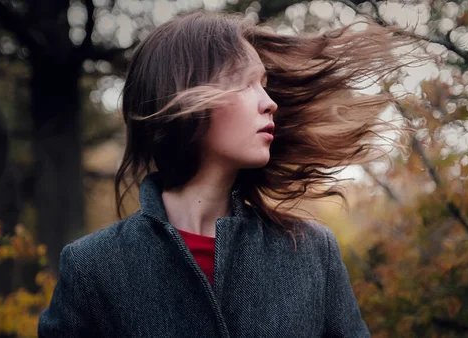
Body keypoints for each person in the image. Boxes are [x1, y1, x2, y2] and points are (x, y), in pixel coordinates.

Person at [38, 9, 418, 338]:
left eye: (264, 85)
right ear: (184, 93)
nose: (269, 103)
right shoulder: (93, 267)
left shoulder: (312, 251)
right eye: (244, 82)